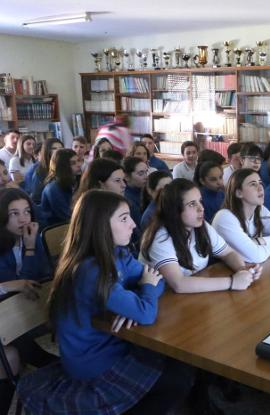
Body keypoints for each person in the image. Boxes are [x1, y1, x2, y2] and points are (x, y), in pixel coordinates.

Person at [17, 189, 194, 415]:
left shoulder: (118, 254)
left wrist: (132, 302)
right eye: (124, 218)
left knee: (179, 365)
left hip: (113, 344)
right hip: (93, 363)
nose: (133, 224)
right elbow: (147, 309)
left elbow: (157, 280)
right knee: (177, 377)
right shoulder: (90, 270)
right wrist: (140, 296)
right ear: (101, 225)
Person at [141, 178, 260, 294]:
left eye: (200, 201)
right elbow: (178, 284)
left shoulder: (201, 225)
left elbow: (228, 253)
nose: (201, 208)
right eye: (192, 204)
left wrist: (243, 271)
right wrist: (232, 282)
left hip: (195, 294)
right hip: (165, 301)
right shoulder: (160, 238)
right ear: (174, 210)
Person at [0, 188, 54, 415]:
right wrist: (11, 285)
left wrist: (31, 247)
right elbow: (21, 285)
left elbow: (36, 281)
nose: (23, 219)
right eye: (14, 214)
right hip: (6, 315)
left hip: (22, 312)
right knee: (16, 353)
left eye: (26, 212)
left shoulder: (31, 239)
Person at [212, 169, 270, 263]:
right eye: (253, 184)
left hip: (249, 270)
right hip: (220, 273)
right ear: (239, 193)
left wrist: (260, 241)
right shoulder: (224, 218)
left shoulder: (260, 209)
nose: (260, 188)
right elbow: (256, 256)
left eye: (260, 183)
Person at [40, 149, 82, 227]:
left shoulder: (76, 180)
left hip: (69, 225)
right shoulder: (53, 188)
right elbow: (66, 216)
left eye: (78, 161)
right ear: (63, 166)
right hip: (56, 229)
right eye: (73, 163)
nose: (79, 165)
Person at [23, 138, 63, 204]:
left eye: (61, 148)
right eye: (54, 148)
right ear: (47, 151)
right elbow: (36, 198)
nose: (58, 151)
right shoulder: (40, 170)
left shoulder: (65, 166)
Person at [122, 156, 149, 231]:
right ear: (126, 177)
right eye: (141, 173)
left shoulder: (145, 190)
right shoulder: (127, 199)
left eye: (146, 172)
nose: (146, 177)